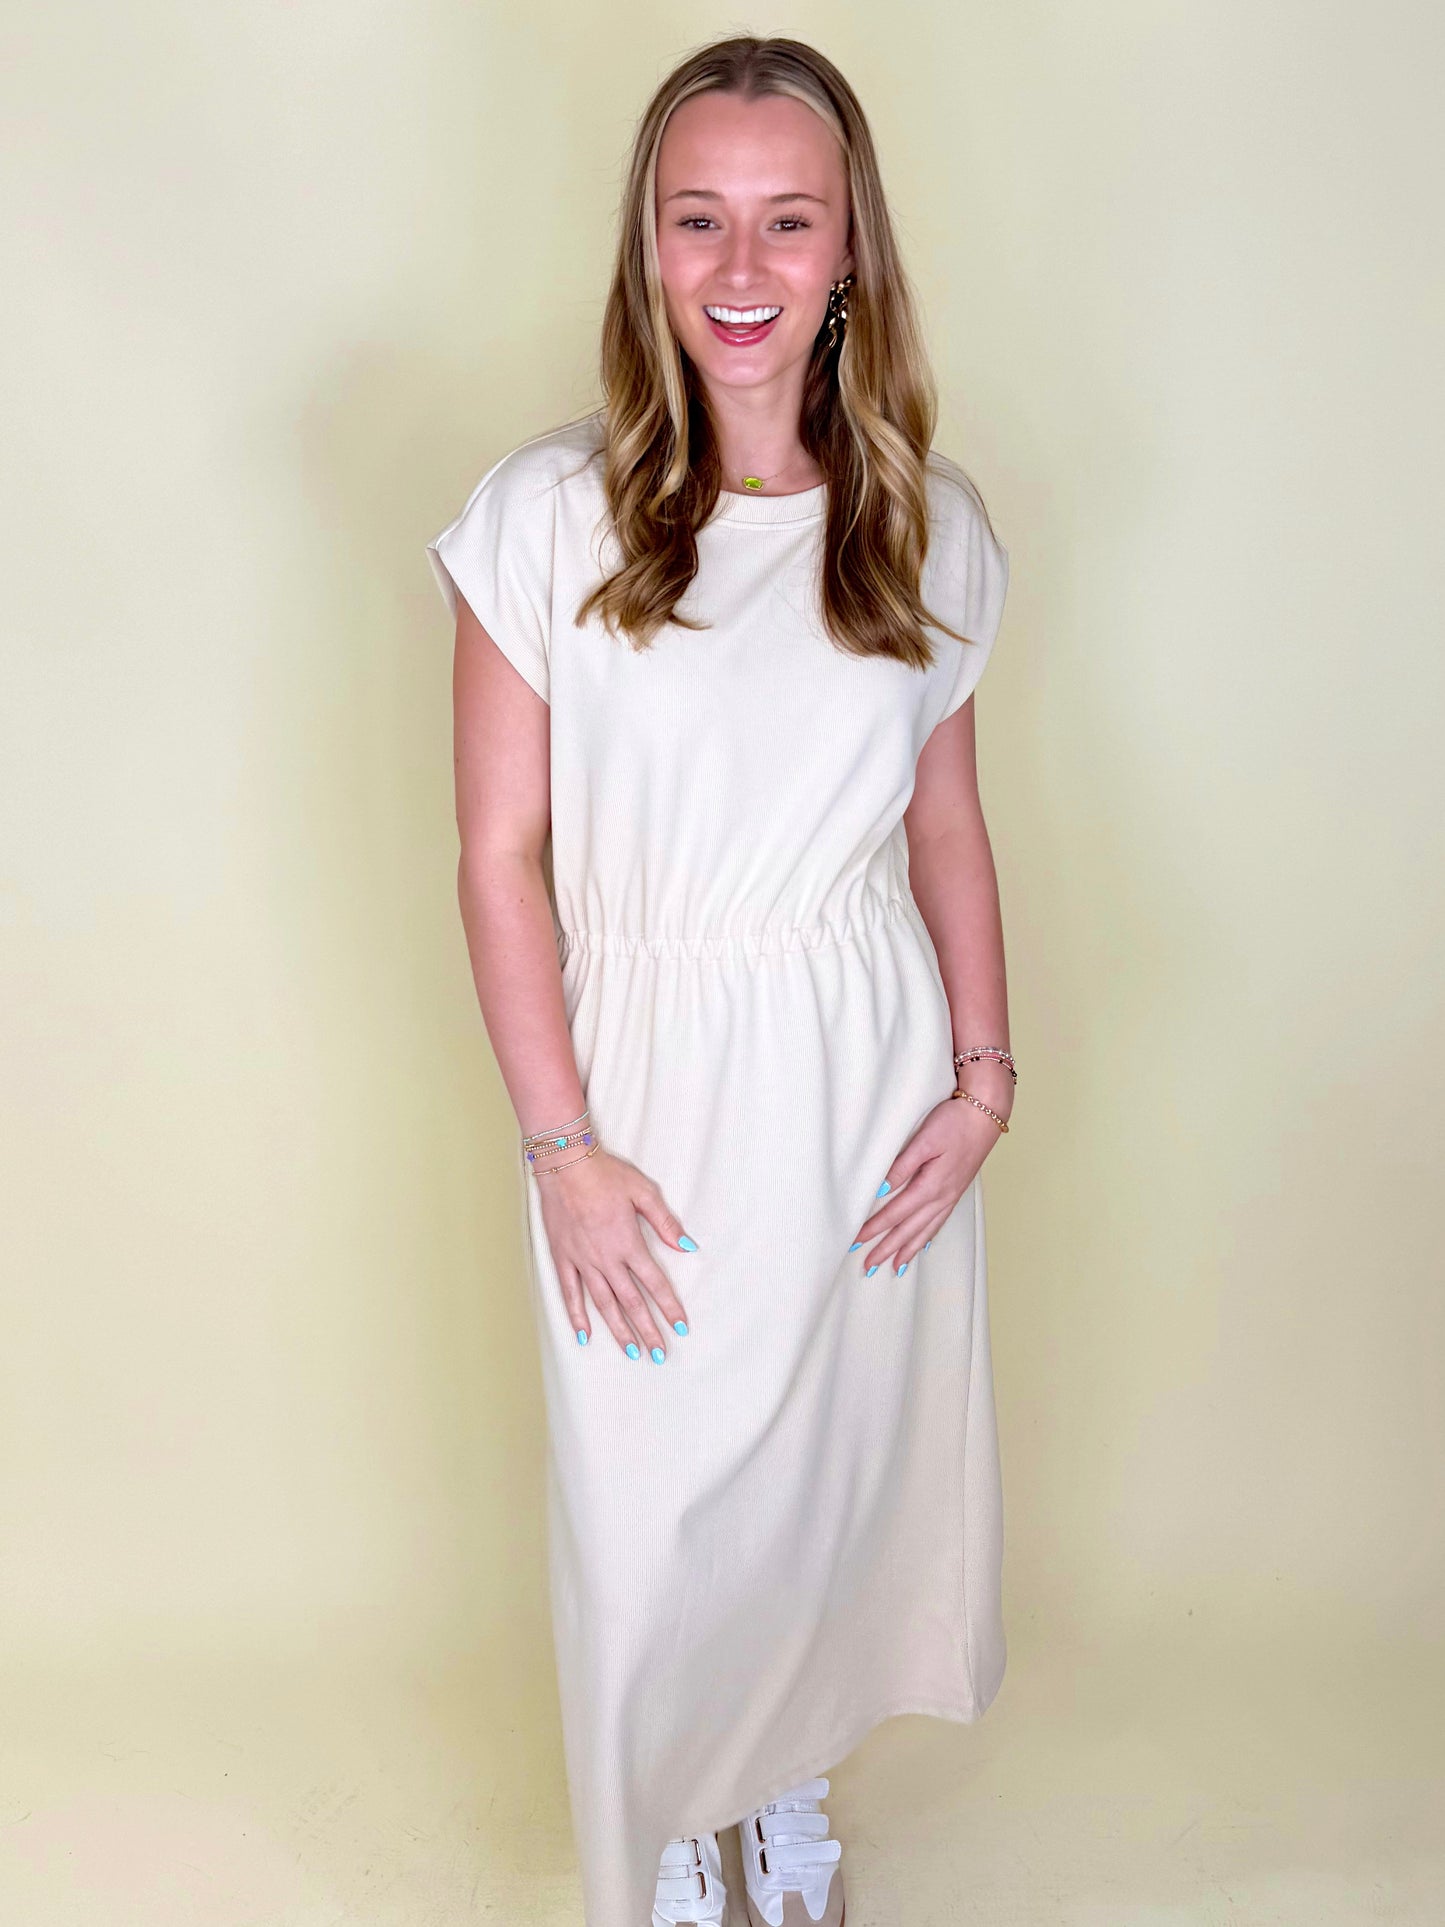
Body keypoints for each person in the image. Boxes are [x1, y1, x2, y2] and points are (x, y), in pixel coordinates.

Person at [426, 33, 1014, 1927]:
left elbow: (944, 828)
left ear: (851, 251)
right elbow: (498, 858)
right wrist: (559, 1147)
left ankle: (781, 1777)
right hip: (644, 1071)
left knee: (832, 1470)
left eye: (787, 221)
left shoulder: (920, 521)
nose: (741, 269)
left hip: (861, 1064)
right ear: (646, 245)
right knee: (656, 1488)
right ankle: (676, 1802)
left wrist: (984, 1080)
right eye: (698, 221)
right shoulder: (544, 518)